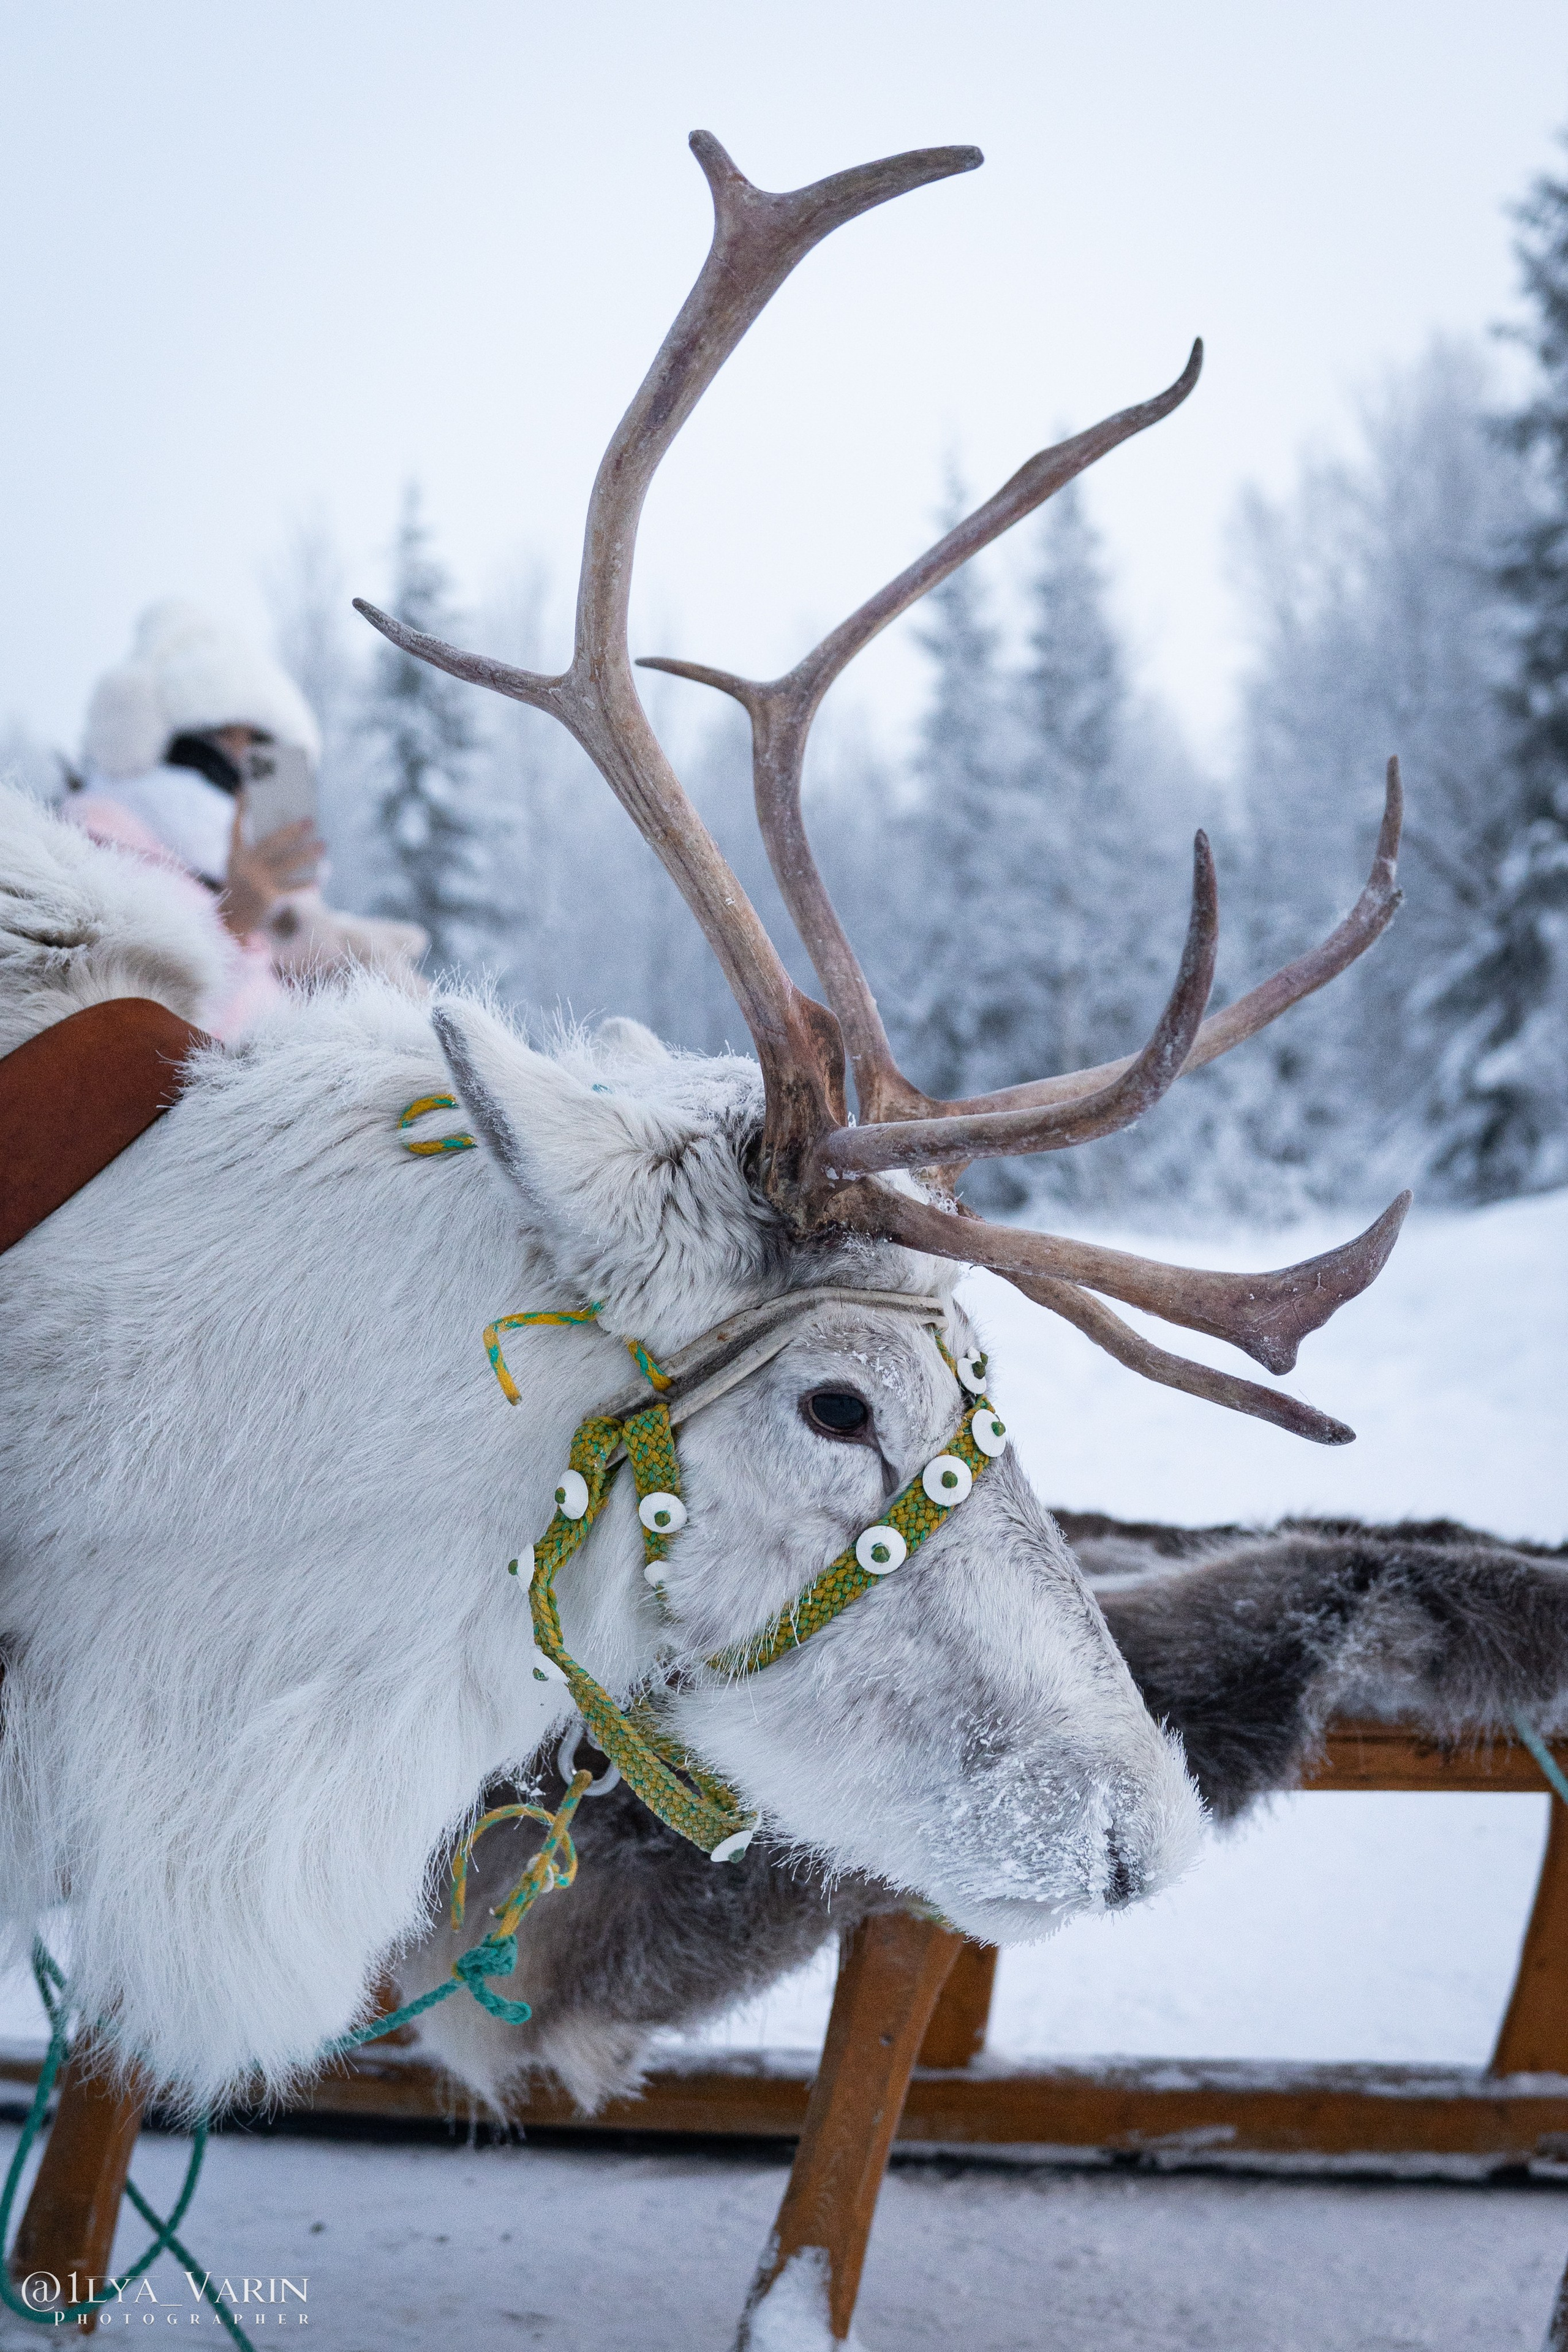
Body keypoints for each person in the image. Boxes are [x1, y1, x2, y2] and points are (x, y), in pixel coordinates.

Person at [69, 601, 424, 1033]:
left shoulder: (266, 872)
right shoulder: (99, 859)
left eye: (260, 739)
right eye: (219, 732)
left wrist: (338, 950)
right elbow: (154, 1046)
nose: (242, 756)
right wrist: (235, 925)